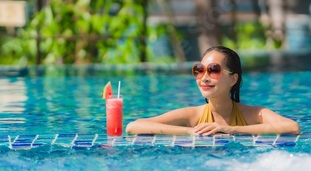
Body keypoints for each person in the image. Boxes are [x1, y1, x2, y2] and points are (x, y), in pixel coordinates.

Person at [126, 46, 300, 136]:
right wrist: (189, 132)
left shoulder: (254, 114)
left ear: (233, 79)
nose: (204, 77)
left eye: (214, 70)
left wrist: (230, 129)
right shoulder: (192, 116)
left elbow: (292, 127)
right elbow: (134, 126)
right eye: (199, 70)